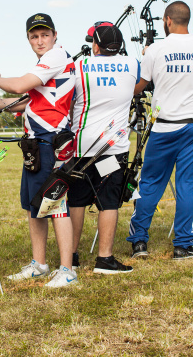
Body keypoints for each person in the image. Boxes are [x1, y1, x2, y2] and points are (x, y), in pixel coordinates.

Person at [0, 13, 77, 287]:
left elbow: (18, 85)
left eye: (45, 35)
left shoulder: (56, 57)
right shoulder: (44, 65)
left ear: (55, 36)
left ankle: (67, 270)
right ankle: (39, 264)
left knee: (56, 206)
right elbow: (24, 101)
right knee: (34, 207)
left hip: (50, 142)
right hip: (35, 144)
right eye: (34, 36)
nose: (40, 40)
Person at [126, 1, 193, 260]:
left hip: (164, 126)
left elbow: (141, 85)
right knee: (187, 185)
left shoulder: (156, 49)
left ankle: (139, 241)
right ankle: (183, 244)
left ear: (167, 20)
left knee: (151, 183)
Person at [68, 23, 139, 273]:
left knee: (76, 201)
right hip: (112, 148)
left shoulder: (79, 66)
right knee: (108, 201)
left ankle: (71, 256)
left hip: (81, 146)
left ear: (94, 45)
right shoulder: (132, 65)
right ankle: (104, 259)